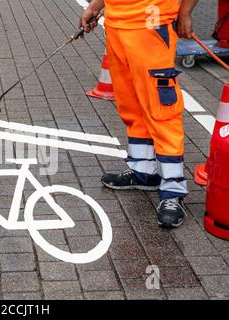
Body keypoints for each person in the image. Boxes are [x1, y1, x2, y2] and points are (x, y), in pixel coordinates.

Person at [80, 0, 200, 228]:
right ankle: (143, 171)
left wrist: (184, 13)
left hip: (152, 24)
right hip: (116, 26)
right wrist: (96, 6)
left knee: (160, 108)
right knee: (131, 105)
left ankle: (173, 189)